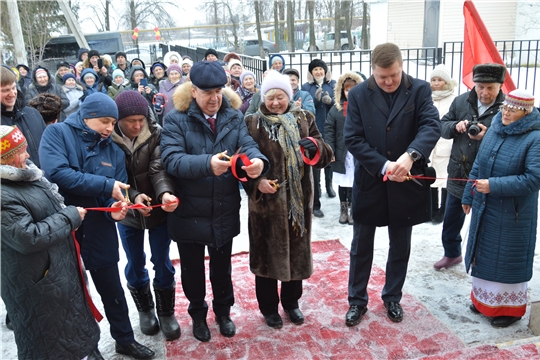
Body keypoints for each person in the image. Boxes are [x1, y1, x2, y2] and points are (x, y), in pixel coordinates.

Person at [39, 93, 155, 359]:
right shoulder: (58, 133)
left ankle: (125, 338)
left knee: (112, 289)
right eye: (104, 121)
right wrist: (106, 186)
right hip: (64, 227)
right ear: (86, 116)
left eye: (113, 123)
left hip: (100, 231)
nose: (109, 128)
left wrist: (114, 212)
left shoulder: (112, 150)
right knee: (75, 293)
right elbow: (57, 173)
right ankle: (88, 347)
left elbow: (117, 190)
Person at [160, 61, 269, 342]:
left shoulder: (233, 116)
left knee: (222, 268)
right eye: (207, 92)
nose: (214, 98)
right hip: (189, 211)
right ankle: (198, 314)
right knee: (193, 270)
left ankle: (223, 312)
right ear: (193, 91)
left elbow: (248, 145)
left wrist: (258, 161)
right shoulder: (175, 118)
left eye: (219, 91)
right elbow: (171, 160)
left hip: (223, 206)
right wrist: (207, 164)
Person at [343, 43, 440, 326]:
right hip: (372, 180)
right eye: (382, 76)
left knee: (401, 244)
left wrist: (410, 156)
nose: (388, 82)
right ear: (373, 70)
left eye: (394, 75)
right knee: (361, 246)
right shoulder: (359, 94)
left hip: (405, 181)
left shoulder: (419, 89)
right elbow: (353, 138)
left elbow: (430, 125)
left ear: (401, 67)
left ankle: (392, 297)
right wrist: (384, 165)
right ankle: (357, 301)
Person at [0, 125, 101, 359]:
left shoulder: (26, 175)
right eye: (21, 151)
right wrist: (70, 217)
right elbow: (27, 237)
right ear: (5, 157)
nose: (27, 155)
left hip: (54, 272)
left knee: (70, 329)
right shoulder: (3, 193)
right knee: (50, 341)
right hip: (37, 283)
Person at [243, 70, 333, 329]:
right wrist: (256, 183)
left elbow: (325, 151)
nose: (275, 103)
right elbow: (242, 164)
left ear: (289, 96)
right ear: (263, 98)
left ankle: (292, 303)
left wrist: (316, 148)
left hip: (298, 202)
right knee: (267, 256)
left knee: (296, 254)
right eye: (270, 97)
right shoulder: (253, 123)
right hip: (265, 206)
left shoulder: (305, 118)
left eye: (280, 97)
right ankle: (269, 307)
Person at [462, 89, 540, 328]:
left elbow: (534, 179)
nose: (505, 113)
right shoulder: (495, 128)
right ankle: (482, 300)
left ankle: (509, 310)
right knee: (483, 255)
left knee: (506, 260)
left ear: (526, 113)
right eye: (504, 107)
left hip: (514, 214)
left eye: (512, 110)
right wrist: (468, 194)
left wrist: (493, 186)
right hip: (486, 205)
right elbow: (479, 164)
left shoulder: (535, 138)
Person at [112, 90, 181, 340]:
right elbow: (114, 177)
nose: (137, 125)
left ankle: (166, 310)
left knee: (161, 260)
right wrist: (131, 199)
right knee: (134, 260)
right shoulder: (109, 138)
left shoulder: (156, 134)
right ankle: (145, 309)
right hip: (127, 211)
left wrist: (164, 193)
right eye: (131, 121)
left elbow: (158, 169)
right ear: (118, 120)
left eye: (141, 119)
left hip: (156, 209)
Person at [434, 63, 506, 270]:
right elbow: (441, 126)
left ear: (500, 86)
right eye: (480, 86)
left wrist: (488, 134)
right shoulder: (460, 102)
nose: (484, 92)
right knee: (451, 221)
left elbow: (513, 140)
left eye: (490, 87)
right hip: (459, 171)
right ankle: (452, 253)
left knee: (488, 222)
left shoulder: (507, 107)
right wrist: (455, 127)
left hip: (489, 176)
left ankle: (483, 259)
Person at [325, 71, 363, 225]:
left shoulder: (363, 107)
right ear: (342, 90)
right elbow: (329, 129)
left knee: (355, 182)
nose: (350, 93)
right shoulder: (336, 109)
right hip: (341, 152)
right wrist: (331, 150)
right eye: (347, 90)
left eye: (353, 89)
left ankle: (354, 209)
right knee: (343, 183)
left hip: (357, 153)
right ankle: (343, 209)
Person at [302, 59, 336, 217]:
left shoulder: (333, 84)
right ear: (311, 72)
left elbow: (340, 104)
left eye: (321, 69)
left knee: (329, 158)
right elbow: (305, 108)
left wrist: (331, 102)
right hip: (314, 130)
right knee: (315, 163)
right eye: (315, 69)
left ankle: (329, 185)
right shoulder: (306, 87)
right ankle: (316, 201)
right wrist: (316, 100)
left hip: (330, 129)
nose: (318, 72)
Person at [428, 65, 457, 224]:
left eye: (439, 80)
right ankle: (431, 209)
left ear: (446, 81)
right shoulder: (427, 97)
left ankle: (443, 210)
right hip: (430, 143)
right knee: (431, 177)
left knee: (444, 178)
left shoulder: (453, 99)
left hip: (446, 142)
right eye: (433, 79)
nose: (436, 83)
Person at [1, 66, 46, 167]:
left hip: (43, 179)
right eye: (5, 90)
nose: (12, 94)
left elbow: (49, 149)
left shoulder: (33, 114)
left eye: (13, 88)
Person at [245, 68, 315, 117]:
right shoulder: (259, 96)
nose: (291, 82)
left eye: (293, 80)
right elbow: (249, 114)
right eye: (271, 98)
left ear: (298, 81)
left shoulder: (305, 95)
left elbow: (312, 112)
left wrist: (301, 106)